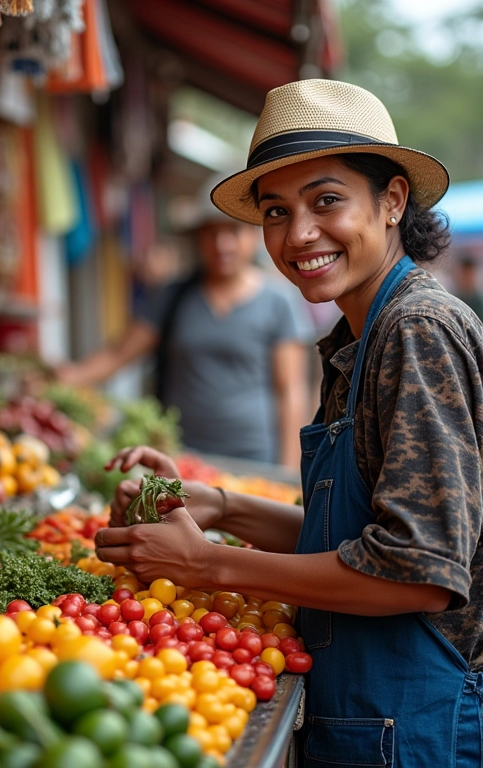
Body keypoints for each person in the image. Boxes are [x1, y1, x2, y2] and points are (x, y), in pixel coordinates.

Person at [94, 79, 483, 765]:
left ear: (392, 199)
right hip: (371, 716)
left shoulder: (416, 330)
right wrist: (214, 504)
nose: (298, 234)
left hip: (417, 724)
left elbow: (418, 572)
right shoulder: (357, 340)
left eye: (326, 200)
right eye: (275, 211)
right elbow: (349, 540)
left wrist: (208, 566)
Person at [55, 175, 314, 470]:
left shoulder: (278, 303)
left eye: (233, 231)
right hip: (183, 460)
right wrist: (64, 379)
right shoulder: (171, 297)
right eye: (210, 233)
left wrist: (290, 471)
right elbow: (117, 355)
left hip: (253, 459)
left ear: (254, 235)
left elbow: (291, 392)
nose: (222, 244)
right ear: (197, 239)